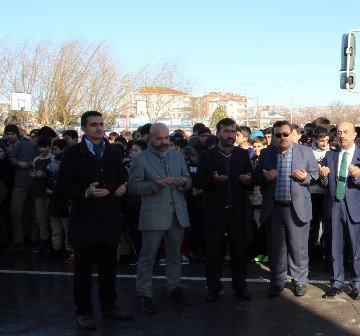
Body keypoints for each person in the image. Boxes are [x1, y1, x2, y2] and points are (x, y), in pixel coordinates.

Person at [56, 111, 133, 330]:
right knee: (83, 271)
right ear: (84, 128)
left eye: (101, 124)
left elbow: (122, 177)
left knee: (109, 269)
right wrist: (85, 192)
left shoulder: (112, 152)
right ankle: (84, 311)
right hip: (85, 222)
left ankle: (110, 307)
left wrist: (123, 186)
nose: (99, 128)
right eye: (93, 125)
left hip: (109, 219)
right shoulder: (72, 154)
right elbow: (63, 188)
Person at [128, 123, 193, 314]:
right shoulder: (140, 159)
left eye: (166, 138)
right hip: (153, 213)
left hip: (177, 213)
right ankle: (144, 294)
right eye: (159, 138)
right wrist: (154, 185)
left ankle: (174, 288)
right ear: (150, 137)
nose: (164, 142)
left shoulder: (177, 155)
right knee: (148, 257)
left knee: (174, 255)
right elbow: (133, 187)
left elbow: (188, 180)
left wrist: (184, 183)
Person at [254, 120, 319, 298]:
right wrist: (265, 177)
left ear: (292, 134)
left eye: (285, 134)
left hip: (296, 208)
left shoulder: (305, 151)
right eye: (278, 135)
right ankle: (277, 281)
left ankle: (299, 281)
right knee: (276, 249)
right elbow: (256, 177)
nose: (282, 138)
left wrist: (306, 177)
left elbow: (315, 175)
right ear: (273, 137)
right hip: (274, 208)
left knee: (299, 248)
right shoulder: (267, 154)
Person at [195, 118, 253, 302]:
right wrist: (213, 181)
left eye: (233, 131)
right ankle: (213, 287)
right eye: (226, 131)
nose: (230, 135)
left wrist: (248, 180)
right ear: (218, 133)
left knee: (239, 252)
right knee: (214, 252)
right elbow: (198, 182)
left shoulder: (242, 155)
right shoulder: (206, 156)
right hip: (215, 212)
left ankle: (240, 286)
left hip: (237, 211)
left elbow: (250, 179)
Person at [319, 121, 360, 300]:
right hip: (335, 205)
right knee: (335, 247)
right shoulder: (331, 155)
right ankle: (336, 283)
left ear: (354, 135)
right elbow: (325, 184)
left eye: (346, 132)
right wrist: (324, 178)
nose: (342, 135)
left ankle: (356, 283)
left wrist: (358, 176)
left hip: (354, 208)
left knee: (355, 249)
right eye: (340, 132)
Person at [6, 124, 38, 249]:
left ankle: (33, 238)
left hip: (35, 185)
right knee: (16, 211)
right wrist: (19, 163)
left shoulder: (42, 147)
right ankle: (18, 238)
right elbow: (11, 157)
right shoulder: (21, 144)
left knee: (35, 213)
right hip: (20, 184)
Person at [31, 135, 55, 253]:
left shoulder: (54, 159)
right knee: (41, 218)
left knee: (52, 218)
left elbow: (55, 176)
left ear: (49, 146)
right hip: (39, 192)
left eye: (44, 147)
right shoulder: (36, 160)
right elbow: (33, 172)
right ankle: (44, 239)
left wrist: (45, 176)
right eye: (40, 147)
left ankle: (53, 242)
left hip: (49, 193)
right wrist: (34, 176)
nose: (42, 149)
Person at [308, 126, 329, 263]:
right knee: (312, 224)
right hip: (312, 192)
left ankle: (326, 252)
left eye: (327, 140)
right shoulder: (308, 151)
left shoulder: (331, 151)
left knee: (327, 223)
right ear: (315, 139)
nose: (324, 143)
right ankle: (310, 253)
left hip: (326, 192)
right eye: (322, 141)